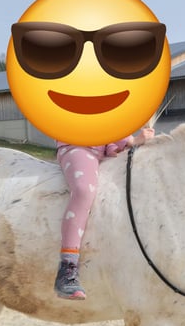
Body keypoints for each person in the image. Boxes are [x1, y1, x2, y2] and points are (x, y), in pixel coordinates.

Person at [55, 127, 155, 300]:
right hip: (78, 145)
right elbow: (96, 119)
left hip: (100, 149)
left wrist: (113, 147)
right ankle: (67, 266)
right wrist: (130, 140)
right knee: (84, 190)